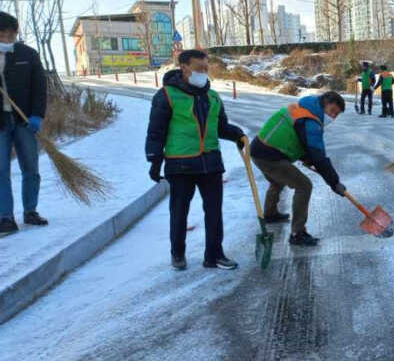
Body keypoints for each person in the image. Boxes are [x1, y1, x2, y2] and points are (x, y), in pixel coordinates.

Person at [145, 49, 247, 270]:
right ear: (184, 67)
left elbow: (220, 127)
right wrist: (154, 160)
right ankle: (178, 254)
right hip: (180, 164)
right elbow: (156, 131)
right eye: (199, 68)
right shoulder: (166, 96)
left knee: (214, 212)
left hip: (211, 163)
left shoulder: (212, 96)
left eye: (206, 68)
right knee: (179, 212)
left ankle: (214, 255)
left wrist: (237, 134)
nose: (203, 73)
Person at [250, 92, 347, 246]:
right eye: (332, 111)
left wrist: (307, 157)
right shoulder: (311, 120)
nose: (333, 117)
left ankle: (270, 214)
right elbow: (318, 156)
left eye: (337, 115)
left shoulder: (305, 108)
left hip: (261, 148)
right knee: (304, 185)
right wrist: (334, 183)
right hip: (269, 155)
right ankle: (298, 233)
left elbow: (301, 140)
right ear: (324, 103)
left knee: (277, 180)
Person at [0, 12, 47, 237]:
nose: (7, 40)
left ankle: (30, 211)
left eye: (12, 36)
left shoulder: (28, 54)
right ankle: (6, 218)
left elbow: (40, 87)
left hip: (24, 121)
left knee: (31, 168)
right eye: (2, 35)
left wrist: (38, 115)